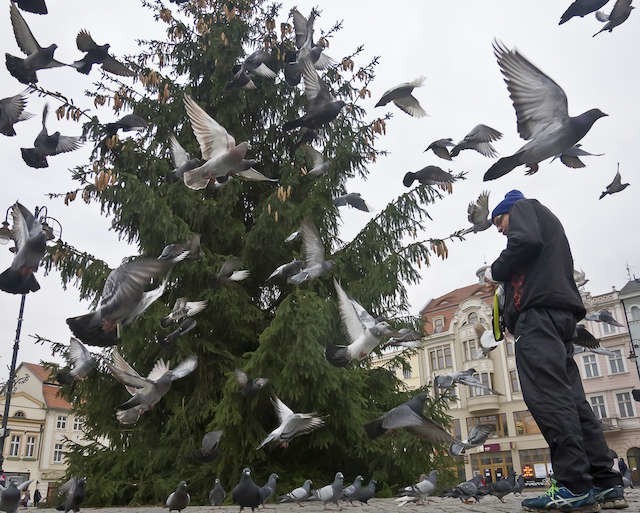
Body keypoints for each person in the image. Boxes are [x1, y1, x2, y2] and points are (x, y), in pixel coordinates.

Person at [486, 190, 626, 512]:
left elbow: (525, 244)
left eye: (499, 220)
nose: (499, 229)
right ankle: (605, 482)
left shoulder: (523, 207)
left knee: (548, 398)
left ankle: (574, 485)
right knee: (575, 402)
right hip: (560, 320)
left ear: (510, 209)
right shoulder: (551, 230)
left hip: (538, 321)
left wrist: (496, 270)